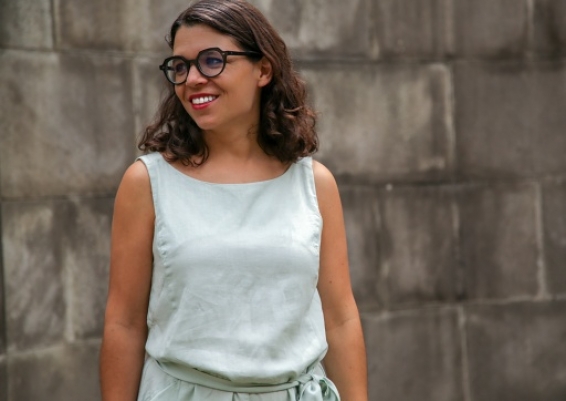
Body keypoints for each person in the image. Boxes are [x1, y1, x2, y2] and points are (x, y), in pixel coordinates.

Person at [99, 0, 367, 400]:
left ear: (263, 69)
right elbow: (124, 322)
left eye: (212, 60)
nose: (192, 78)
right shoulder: (148, 182)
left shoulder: (314, 184)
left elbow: (341, 317)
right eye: (180, 66)